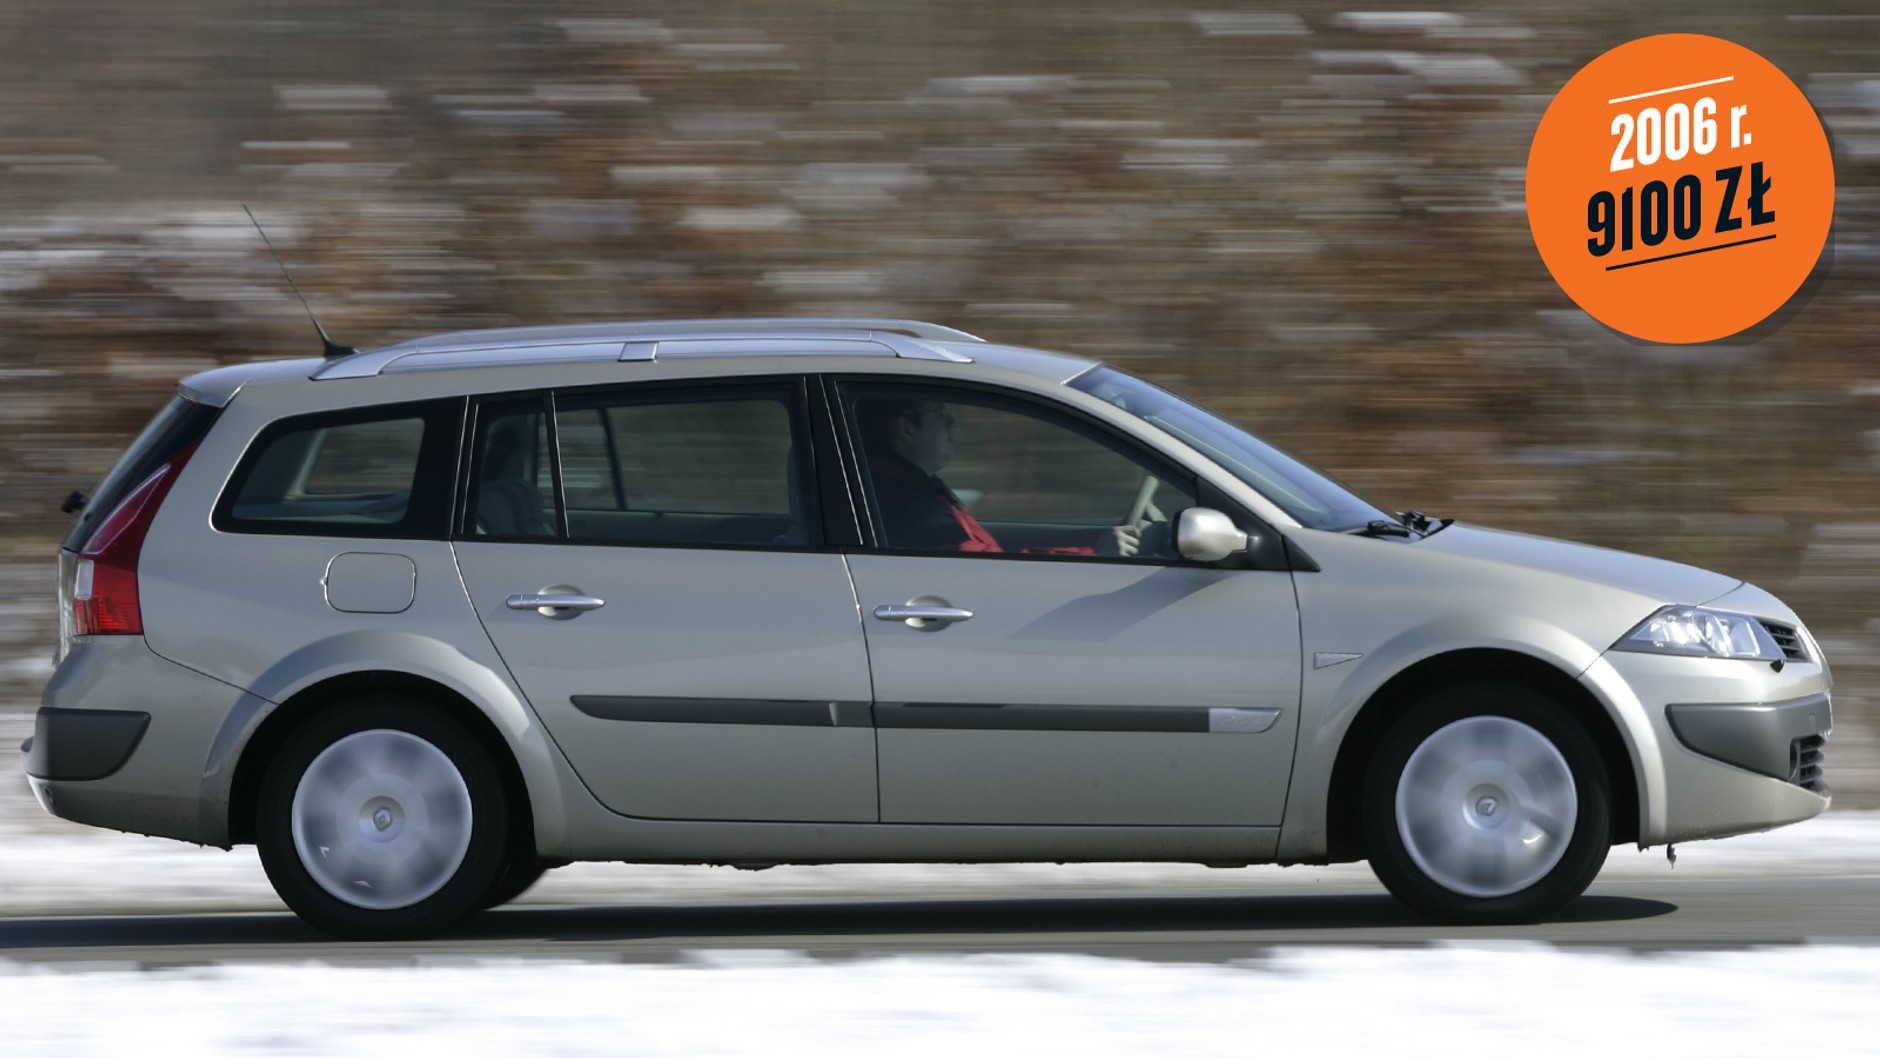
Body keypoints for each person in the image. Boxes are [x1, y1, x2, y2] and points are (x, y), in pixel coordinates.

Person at [859, 397, 1140, 556]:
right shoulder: (908, 503)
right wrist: (1092, 555)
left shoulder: (913, 487)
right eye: (940, 413)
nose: (952, 422)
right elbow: (980, 565)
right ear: (907, 429)